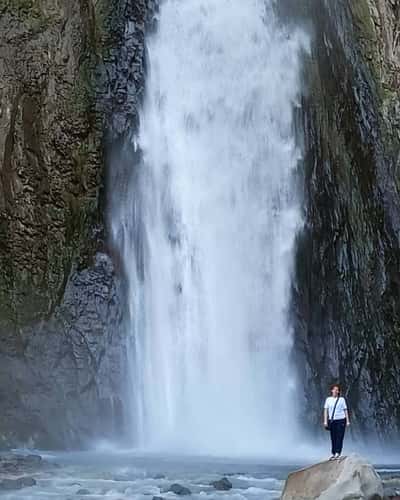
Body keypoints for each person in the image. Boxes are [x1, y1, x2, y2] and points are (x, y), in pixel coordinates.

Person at [323, 383, 350, 460]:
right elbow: (325, 410)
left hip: (341, 420)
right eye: (334, 389)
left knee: (340, 436)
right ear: (331, 390)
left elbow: (345, 410)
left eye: (337, 390)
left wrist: (347, 421)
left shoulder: (342, 399)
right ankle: (334, 452)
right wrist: (325, 421)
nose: (336, 391)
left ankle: (338, 452)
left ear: (338, 392)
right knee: (333, 437)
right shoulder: (328, 399)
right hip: (332, 420)